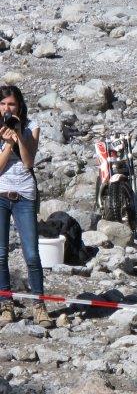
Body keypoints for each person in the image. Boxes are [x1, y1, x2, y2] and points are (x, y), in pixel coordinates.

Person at [0, 86, 51, 328]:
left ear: (19, 106)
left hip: (25, 195)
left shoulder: (32, 126)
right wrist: (7, 144)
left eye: (11, 104)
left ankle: (39, 305)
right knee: (1, 254)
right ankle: (6, 304)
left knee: (31, 253)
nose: (7, 109)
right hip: (1, 193)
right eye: (2, 104)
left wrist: (19, 135)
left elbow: (29, 162)